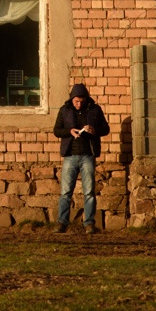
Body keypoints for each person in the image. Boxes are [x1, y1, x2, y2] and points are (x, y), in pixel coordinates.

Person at [53, 82, 109, 233]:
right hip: (70, 155)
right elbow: (56, 130)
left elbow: (106, 129)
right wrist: (69, 131)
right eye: (76, 101)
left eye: (81, 102)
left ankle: (89, 223)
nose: (78, 104)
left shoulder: (95, 110)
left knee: (89, 191)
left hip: (88, 156)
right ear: (71, 99)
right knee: (65, 192)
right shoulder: (64, 110)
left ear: (86, 99)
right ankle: (62, 223)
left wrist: (94, 130)